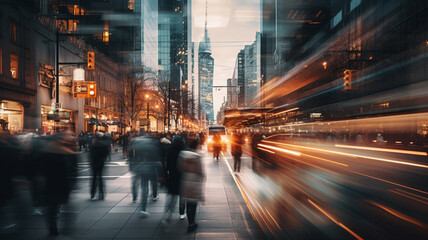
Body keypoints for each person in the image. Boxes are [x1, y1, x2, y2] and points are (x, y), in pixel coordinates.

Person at [128, 134, 162, 217]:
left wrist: (132, 164)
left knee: (140, 184)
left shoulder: (137, 142)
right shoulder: (152, 144)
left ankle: (135, 197)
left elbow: (131, 153)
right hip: (150, 167)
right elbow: (157, 156)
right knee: (148, 185)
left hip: (139, 166)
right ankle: (145, 205)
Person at [179, 138, 205, 232]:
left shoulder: (183, 156)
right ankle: (191, 223)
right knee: (193, 204)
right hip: (194, 182)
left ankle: (190, 221)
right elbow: (200, 172)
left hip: (185, 181)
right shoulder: (197, 157)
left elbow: (180, 168)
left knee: (188, 203)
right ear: (197, 146)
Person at [165, 134, 186, 221]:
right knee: (182, 196)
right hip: (182, 176)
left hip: (172, 176)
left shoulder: (170, 152)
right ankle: (181, 212)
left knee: (172, 195)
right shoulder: (184, 152)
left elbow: (167, 165)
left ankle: (169, 212)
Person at [90, 132, 110, 200]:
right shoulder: (103, 144)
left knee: (94, 178)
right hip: (101, 162)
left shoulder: (93, 144)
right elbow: (106, 153)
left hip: (94, 162)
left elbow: (91, 154)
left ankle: (92, 193)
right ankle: (101, 193)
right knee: (101, 177)